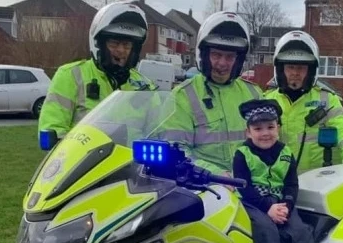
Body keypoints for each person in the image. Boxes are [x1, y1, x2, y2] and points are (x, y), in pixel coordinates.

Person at [232, 99, 320, 243]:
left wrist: (286, 207)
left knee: (299, 230)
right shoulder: (242, 154)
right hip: (254, 203)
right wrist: (267, 208)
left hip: (281, 202)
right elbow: (244, 186)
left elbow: (291, 185)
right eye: (258, 128)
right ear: (248, 132)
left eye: (271, 127)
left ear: (278, 128)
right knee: (266, 230)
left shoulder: (286, 153)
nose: (265, 133)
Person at [163, 11, 262, 175]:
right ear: (204, 55)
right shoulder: (183, 95)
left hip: (250, 188)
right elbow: (176, 150)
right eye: (216, 55)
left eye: (230, 56)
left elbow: (267, 143)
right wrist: (214, 173)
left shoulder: (254, 93)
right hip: (204, 188)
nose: (222, 63)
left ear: (238, 60)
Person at [39, 2, 155, 139]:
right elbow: (52, 127)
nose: (121, 50)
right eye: (114, 43)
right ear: (99, 44)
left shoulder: (145, 86)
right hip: (85, 159)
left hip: (133, 160)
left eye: (127, 45)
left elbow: (159, 130)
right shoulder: (71, 75)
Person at [265, 31, 343, 174]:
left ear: (311, 70)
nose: (295, 73)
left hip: (317, 183)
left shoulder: (327, 100)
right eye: (290, 67)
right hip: (278, 182)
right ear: (280, 69)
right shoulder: (267, 102)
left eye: (301, 68)